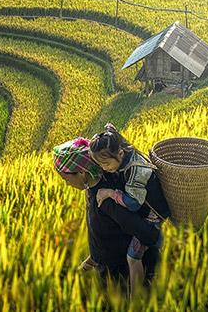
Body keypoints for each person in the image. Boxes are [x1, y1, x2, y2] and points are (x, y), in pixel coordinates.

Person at [53, 137, 163, 290]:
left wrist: (152, 235)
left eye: (66, 179)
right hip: (104, 265)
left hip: (119, 276)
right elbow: (104, 232)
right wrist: (92, 259)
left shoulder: (106, 200)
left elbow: (145, 233)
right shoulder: (92, 191)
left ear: (82, 173)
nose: (67, 183)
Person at [89, 124, 171, 296]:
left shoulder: (136, 170)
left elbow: (133, 203)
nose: (104, 168)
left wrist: (111, 193)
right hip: (142, 208)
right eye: (100, 164)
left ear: (120, 154)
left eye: (106, 163)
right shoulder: (121, 153)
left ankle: (135, 298)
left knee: (133, 258)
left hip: (152, 217)